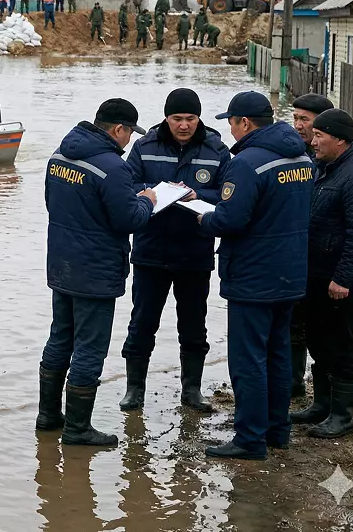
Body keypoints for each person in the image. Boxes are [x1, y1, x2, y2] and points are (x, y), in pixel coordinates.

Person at [198, 91, 312, 460]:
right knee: (278, 354)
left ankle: (249, 438)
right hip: (290, 272)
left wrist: (203, 218)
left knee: (248, 359)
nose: (230, 130)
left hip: (253, 275)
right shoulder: (300, 156)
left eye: (231, 122)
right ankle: (278, 430)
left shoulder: (247, 163)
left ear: (245, 123)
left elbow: (231, 219)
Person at [37, 99, 157, 446]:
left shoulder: (60, 154)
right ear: (119, 130)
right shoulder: (112, 166)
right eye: (130, 134)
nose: (130, 141)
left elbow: (55, 202)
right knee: (90, 347)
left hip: (61, 264)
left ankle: (48, 416)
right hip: (96, 270)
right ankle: (77, 429)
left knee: (60, 337)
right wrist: (147, 200)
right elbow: (129, 219)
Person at [120, 89, 231, 413]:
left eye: (190, 119)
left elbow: (227, 193)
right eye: (177, 118)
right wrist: (151, 194)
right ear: (166, 117)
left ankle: (192, 391)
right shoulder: (144, 146)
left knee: (194, 326)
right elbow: (127, 186)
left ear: (199, 118)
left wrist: (199, 192)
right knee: (142, 323)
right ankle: (134, 390)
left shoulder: (216, 150)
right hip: (150, 252)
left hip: (195, 253)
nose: (184, 125)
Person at [290, 109, 353, 439]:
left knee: (339, 343)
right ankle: (322, 405)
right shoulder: (323, 168)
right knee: (317, 339)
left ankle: (343, 416)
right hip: (316, 274)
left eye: (319, 136)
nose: (313, 142)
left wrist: (342, 278)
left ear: (340, 139)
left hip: (342, 279)